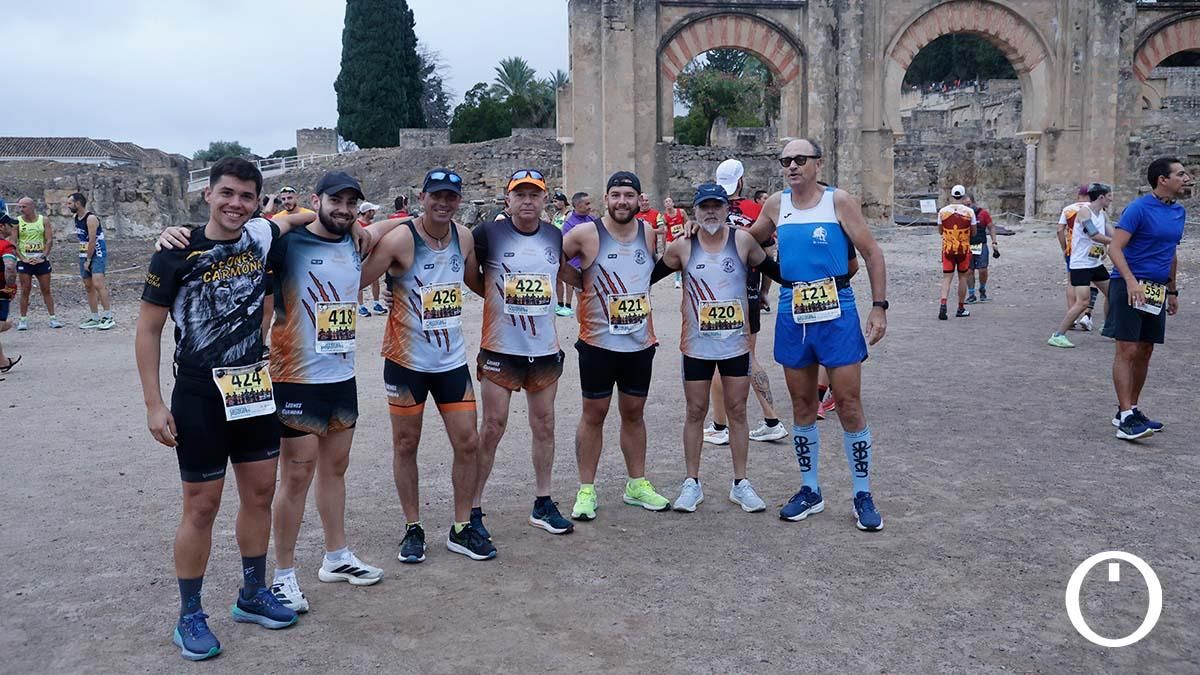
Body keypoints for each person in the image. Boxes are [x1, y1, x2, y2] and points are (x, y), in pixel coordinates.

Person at [135, 158, 299, 661]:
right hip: (199, 394)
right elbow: (148, 330)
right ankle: (189, 616)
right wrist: (153, 403)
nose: (236, 204)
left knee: (259, 494)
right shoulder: (176, 252)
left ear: (258, 202)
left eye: (247, 197)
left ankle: (251, 594)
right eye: (227, 193)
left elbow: (303, 216)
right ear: (207, 194)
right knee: (201, 506)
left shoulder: (262, 237)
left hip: (251, 386)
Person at [748, 138, 889, 531]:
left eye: (800, 159)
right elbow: (748, 239)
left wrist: (879, 306)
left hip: (836, 308)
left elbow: (872, 253)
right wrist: (705, 229)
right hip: (793, 310)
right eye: (785, 161)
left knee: (848, 403)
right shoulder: (776, 204)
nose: (792, 166)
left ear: (817, 164)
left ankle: (862, 493)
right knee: (802, 403)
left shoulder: (839, 201)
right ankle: (810, 489)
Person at [366, 168, 494, 563]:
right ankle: (413, 527)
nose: (443, 203)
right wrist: (382, 294)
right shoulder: (402, 239)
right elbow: (357, 275)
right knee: (406, 444)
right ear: (421, 197)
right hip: (406, 362)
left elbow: (477, 283)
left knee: (468, 442)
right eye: (435, 196)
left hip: (450, 360)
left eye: (451, 197)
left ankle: (460, 526)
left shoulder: (464, 237)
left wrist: (523, 293)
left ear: (459, 200)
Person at [652, 183, 780, 513]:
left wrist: (820, 275)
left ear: (726, 209)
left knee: (737, 411)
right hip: (696, 346)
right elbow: (646, 277)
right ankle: (691, 483)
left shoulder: (742, 241)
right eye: (704, 206)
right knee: (695, 411)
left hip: (735, 344)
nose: (710, 211)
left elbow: (776, 271)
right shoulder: (682, 247)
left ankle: (741, 483)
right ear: (694, 211)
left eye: (716, 206)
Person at [473, 169, 581, 541]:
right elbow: (470, 272)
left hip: (543, 349)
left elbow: (564, 273)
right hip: (501, 348)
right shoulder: (488, 233)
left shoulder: (554, 235)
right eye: (520, 195)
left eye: (534, 195)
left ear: (545, 200)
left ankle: (543, 502)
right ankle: (472, 508)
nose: (527, 201)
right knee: (492, 427)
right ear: (508, 200)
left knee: (545, 425)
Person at [564, 171, 669, 520]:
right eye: (616, 195)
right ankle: (586, 489)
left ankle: (636, 484)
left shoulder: (648, 233)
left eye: (629, 195)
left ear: (639, 200)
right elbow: (553, 259)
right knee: (594, 414)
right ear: (606, 198)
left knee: (634, 413)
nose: (622, 201)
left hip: (639, 341)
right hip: (597, 342)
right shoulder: (585, 233)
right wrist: (580, 283)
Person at [1102, 157, 1190, 440]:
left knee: (1145, 350)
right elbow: (1114, 249)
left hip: (1157, 288)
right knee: (1126, 349)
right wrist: (1129, 282)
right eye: (1180, 174)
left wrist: (1173, 290)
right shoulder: (1138, 209)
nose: (1186, 178)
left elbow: (1170, 252)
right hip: (1128, 285)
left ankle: (1131, 409)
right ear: (1162, 180)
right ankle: (1125, 417)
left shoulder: (1178, 212)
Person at [705, 158, 787, 444]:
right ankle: (770, 418)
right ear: (741, 181)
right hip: (749, 290)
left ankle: (719, 426)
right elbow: (769, 253)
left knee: (716, 361)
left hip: (715, 293)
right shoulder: (757, 211)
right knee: (749, 357)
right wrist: (765, 291)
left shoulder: (710, 210)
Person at [1048, 183, 1113, 348]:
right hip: (1081, 264)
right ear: (1101, 197)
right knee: (1083, 302)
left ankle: (1108, 326)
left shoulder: (1103, 214)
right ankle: (1058, 335)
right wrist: (1115, 242)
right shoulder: (1085, 212)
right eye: (1110, 196)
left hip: (1095, 262)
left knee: (1113, 293)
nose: (1111, 200)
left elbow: (1112, 232)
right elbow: (1094, 234)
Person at [13, 197, 62, 330]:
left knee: (46, 289)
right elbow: (13, 242)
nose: (21, 209)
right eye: (20, 207)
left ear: (32, 206)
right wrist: (22, 258)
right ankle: (23, 320)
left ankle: (53, 318)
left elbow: (49, 240)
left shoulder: (43, 220)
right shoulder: (17, 221)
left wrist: (43, 257)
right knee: (25, 290)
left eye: (24, 207)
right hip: (25, 261)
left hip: (40, 260)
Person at [67, 193, 115, 329]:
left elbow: (92, 240)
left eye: (70, 203)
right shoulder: (76, 217)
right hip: (83, 252)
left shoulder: (91, 218)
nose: (68, 206)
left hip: (97, 253)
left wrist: (88, 259)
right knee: (88, 285)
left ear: (78, 203)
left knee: (98, 283)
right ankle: (94, 317)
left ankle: (108, 316)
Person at [1058, 186, 1100, 330]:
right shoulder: (1094, 208)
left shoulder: (1068, 209)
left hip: (1074, 249)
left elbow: (1059, 230)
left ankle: (1072, 316)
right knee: (1094, 281)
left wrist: (1064, 248)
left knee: (1072, 282)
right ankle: (1087, 315)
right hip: (1094, 248)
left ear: (1078, 195)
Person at [936, 185, 976, 320]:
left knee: (947, 278)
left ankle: (943, 303)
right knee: (962, 278)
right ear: (964, 196)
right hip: (963, 248)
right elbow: (974, 231)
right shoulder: (969, 212)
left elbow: (940, 231)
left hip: (948, 248)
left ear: (951, 195)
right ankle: (960, 307)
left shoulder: (942, 211)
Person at [558, 191, 597, 317]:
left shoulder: (593, 219)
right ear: (578, 205)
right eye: (587, 204)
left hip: (595, 267)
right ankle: (584, 330)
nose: (589, 206)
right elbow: (567, 250)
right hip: (580, 268)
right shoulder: (570, 225)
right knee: (583, 301)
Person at [355, 202, 390, 317]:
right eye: (372, 210)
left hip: (371, 255)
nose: (374, 212)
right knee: (359, 281)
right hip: (359, 255)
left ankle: (376, 303)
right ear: (368, 212)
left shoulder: (372, 224)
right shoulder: (357, 225)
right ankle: (361, 306)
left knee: (375, 279)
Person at [963, 194, 997, 304]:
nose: (967, 207)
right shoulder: (962, 215)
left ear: (973, 202)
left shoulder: (983, 213)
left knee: (982, 269)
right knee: (969, 271)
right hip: (967, 245)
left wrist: (994, 241)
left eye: (969, 204)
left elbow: (991, 226)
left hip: (980, 244)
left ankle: (982, 289)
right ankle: (971, 294)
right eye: (965, 205)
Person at [0, 211, 20, 375]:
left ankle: (2, 362)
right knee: (1, 325)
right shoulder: (6, 246)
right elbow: (10, 267)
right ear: (1, 226)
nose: (11, 227)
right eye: (8, 224)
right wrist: (10, 287)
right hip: (0, 290)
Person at [660, 196, 687, 288]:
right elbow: (665, 231)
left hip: (682, 238)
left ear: (673, 203)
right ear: (664, 205)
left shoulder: (681, 212)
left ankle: (685, 278)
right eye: (666, 202)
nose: (668, 203)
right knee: (676, 261)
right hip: (671, 240)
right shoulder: (664, 217)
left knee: (684, 259)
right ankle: (677, 280)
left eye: (669, 201)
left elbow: (688, 223)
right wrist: (664, 246)